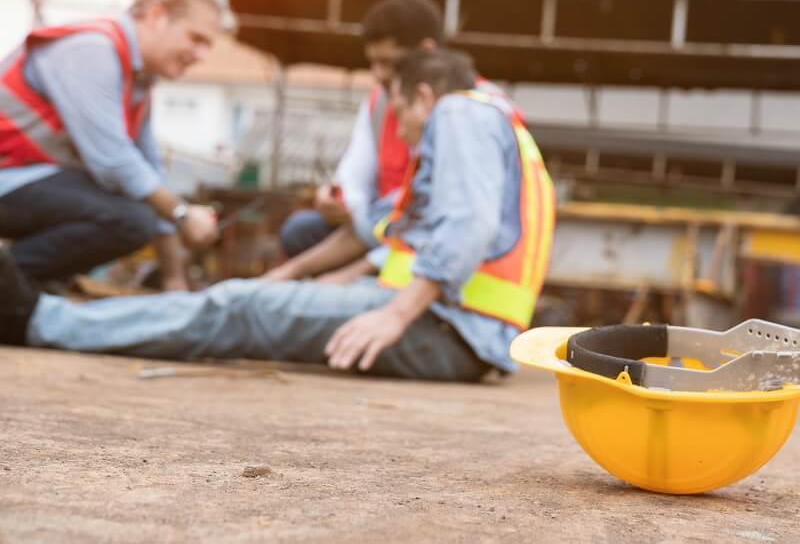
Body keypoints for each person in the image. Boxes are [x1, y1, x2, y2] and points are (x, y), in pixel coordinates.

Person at [0, 49, 556, 382]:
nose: (401, 129)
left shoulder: (460, 113)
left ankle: (38, 321)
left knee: (237, 307)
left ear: (425, 95)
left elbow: (469, 227)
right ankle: (49, 316)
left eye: (400, 112)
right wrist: (288, 274)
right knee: (249, 298)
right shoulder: (504, 135)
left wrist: (395, 314)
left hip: (444, 328)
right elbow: (372, 232)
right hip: (457, 330)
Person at [0, 0, 222, 290]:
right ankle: (12, 286)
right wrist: (182, 214)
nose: (202, 55)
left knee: (132, 211)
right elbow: (115, 163)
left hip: (22, 183)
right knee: (129, 219)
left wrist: (174, 279)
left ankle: (24, 287)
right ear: (156, 16)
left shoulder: (140, 81)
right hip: (10, 180)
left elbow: (149, 174)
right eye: (196, 38)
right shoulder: (92, 50)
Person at [267, 0, 510, 283]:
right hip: (387, 230)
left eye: (387, 62)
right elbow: (358, 184)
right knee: (304, 230)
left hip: (428, 251)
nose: (377, 74)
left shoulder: (473, 110)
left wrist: (344, 278)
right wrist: (341, 200)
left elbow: (456, 226)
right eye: (372, 62)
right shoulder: (379, 102)